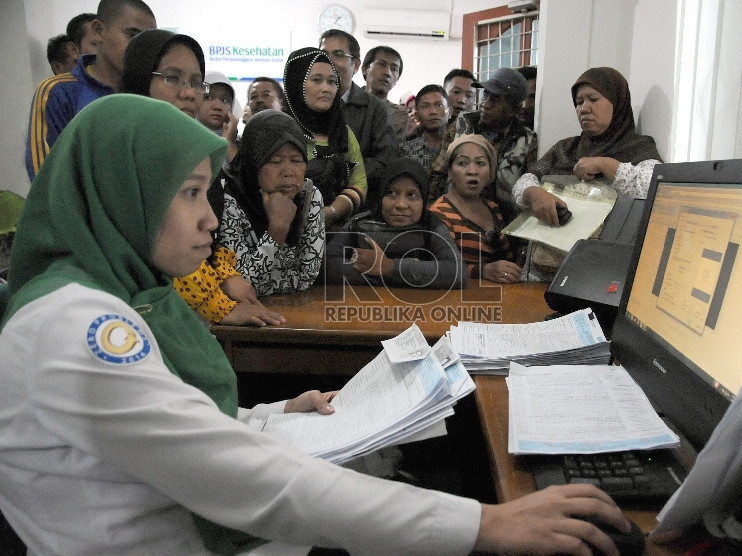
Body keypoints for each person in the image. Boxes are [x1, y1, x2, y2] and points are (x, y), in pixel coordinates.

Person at [0, 94, 632, 556]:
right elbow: (235, 474)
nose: (210, 221)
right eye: (189, 194)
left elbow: (172, 429)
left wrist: (273, 414)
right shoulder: (76, 329)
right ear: (121, 192)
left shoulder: (119, 293)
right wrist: (486, 527)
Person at [120, 28, 282, 327]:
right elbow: (156, 248)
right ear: (140, 78)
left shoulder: (191, 149)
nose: (189, 92)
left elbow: (205, 232)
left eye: (196, 82)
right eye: (173, 77)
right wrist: (220, 307)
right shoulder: (126, 151)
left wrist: (225, 275)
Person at [25, 0, 157, 181]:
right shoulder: (58, 91)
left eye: (145, 42)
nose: (138, 49)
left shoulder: (147, 94)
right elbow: (44, 177)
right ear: (98, 31)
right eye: (131, 35)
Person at [513, 67, 663, 225]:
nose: (584, 109)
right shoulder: (565, 149)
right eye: (579, 102)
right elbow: (526, 180)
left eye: (593, 99)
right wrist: (533, 193)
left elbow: (656, 189)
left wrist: (604, 164)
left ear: (617, 101)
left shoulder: (637, 147)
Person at [218, 110, 325, 296]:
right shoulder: (230, 201)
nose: (289, 172)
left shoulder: (309, 197)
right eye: (275, 161)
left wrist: (262, 278)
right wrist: (277, 232)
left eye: (296, 160)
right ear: (253, 163)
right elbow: (243, 286)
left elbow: (306, 277)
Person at [326, 158, 466, 290]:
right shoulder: (358, 223)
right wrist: (387, 273)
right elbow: (325, 265)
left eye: (412, 195)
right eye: (392, 193)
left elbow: (458, 273)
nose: (401, 204)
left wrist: (389, 267)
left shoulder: (431, 225)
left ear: (423, 200)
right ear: (381, 196)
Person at [430, 67, 538, 219]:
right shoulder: (463, 123)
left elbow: (528, 189)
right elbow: (438, 173)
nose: (485, 105)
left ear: (515, 109)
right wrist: (431, 217)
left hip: (502, 226)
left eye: (494, 100)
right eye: (485, 95)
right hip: (452, 217)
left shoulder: (526, 141)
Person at [282, 47, 367, 228]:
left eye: (332, 82)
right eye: (317, 80)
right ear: (297, 83)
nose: (326, 88)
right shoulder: (280, 129)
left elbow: (359, 182)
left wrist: (331, 212)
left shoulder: (343, 133)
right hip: (284, 230)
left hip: (335, 233)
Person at [319, 30, 397, 207]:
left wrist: (338, 171)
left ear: (355, 65)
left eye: (338, 54)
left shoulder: (375, 109)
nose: (328, 61)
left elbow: (385, 162)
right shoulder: (304, 104)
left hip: (358, 211)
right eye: (323, 55)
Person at [430, 135, 521, 284]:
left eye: (480, 163)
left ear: (490, 173)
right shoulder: (439, 213)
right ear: (450, 172)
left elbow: (507, 258)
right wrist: (483, 271)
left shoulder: (493, 208)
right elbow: (441, 268)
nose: (472, 171)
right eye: (462, 163)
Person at [361, 45, 408, 144]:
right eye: (381, 65)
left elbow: (387, 148)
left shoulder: (398, 114)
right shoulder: (347, 101)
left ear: (397, 80)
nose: (388, 73)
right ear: (364, 69)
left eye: (394, 69)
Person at [400, 84, 449, 171]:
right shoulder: (404, 151)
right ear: (417, 115)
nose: (433, 111)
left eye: (439, 105)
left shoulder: (461, 147)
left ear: (450, 112)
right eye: (425, 106)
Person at [198, 70, 237, 136]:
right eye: (208, 97)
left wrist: (230, 143)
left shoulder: (242, 144)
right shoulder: (179, 139)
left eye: (225, 100)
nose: (217, 107)